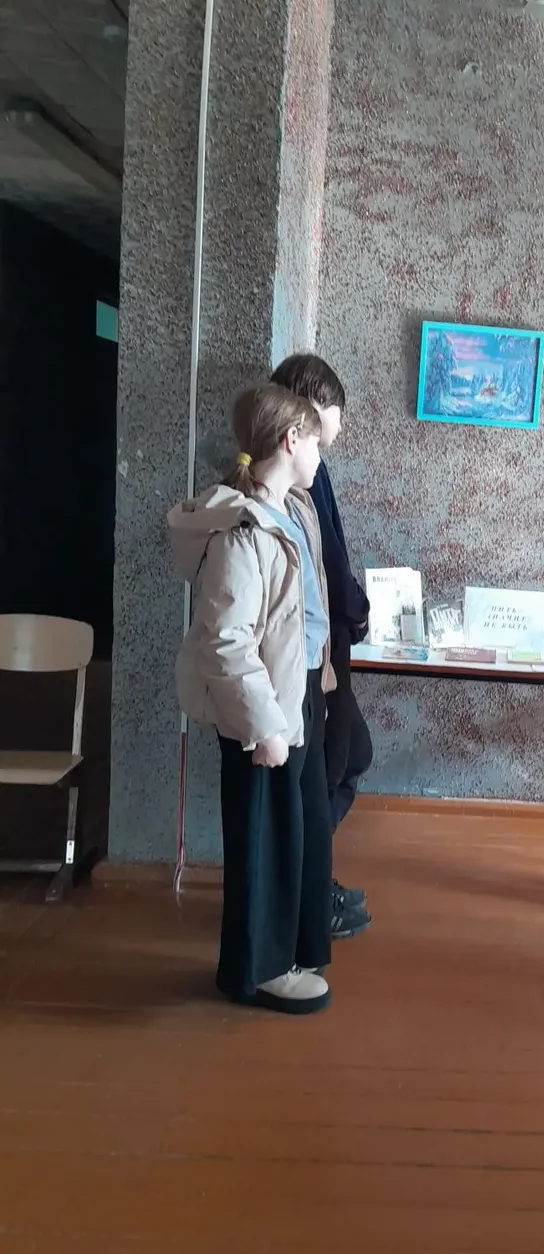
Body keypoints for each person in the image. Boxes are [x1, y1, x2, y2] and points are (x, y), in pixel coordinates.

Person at [169, 385, 337, 1013]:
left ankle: (285, 953)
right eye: (315, 442)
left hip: (292, 698)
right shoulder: (243, 531)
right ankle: (258, 971)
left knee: (290, 832)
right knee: (262, 838)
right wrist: (265, 724)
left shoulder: (286, 512)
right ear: (291, 441)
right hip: (261, 712)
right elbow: (227, 642)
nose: (319, 454)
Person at [270, 354, 372, 941]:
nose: (338, 426)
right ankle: (308, 891)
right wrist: (357, 608)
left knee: (347, 758)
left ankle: (312, 880)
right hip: (313, 657)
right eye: (335, 412)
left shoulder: (310, 471)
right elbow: (326, 562)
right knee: (331, 766)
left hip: (327, 650)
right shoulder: (291, 481)